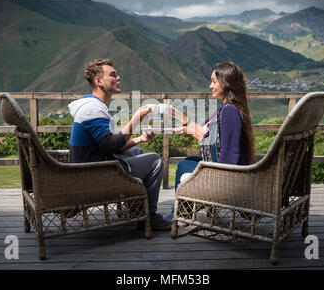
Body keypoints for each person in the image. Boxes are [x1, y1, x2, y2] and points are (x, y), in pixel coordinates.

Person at [68, 58, 172, 230]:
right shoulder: (92, 109)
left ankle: (137, 210)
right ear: (98, 81)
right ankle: (149, 216)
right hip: (95, 175)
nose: (118, 77)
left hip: (94, 165)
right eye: (113, 75)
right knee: (156, 161)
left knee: (138, 150)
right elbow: (110, 146)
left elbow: (109, 145)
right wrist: (136, 119)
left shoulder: (93, 106)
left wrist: (140, 138)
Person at [164, 61, 256, 220]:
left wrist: (197, 135)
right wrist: (181, 118)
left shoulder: (229, 111)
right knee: (189, 161)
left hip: (226, 175)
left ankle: (181, 214)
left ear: (226, 83)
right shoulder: (225, 108)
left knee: (184, 165)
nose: (210, 85)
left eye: (214, 81)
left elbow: (230, 153)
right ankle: (182, 211)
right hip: (221, 166)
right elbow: (204, 129)